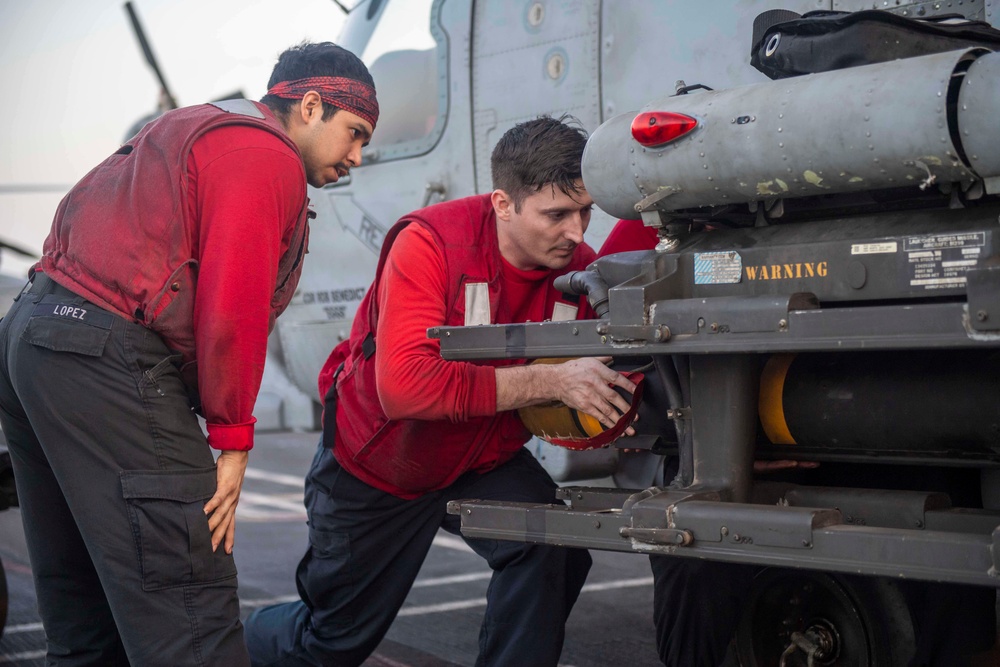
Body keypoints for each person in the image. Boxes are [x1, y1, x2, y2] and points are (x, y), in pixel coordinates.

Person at [0, 42, 378, 666]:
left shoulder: (185, 125)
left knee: (83, 613)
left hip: (32, 339)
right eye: (355, 132)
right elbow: (234, 305)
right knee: (189, 615)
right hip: (105, 355)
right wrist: (232, 439)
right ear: (311, 107)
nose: (359, 157)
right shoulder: (266, 156)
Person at [244, 116, 638, 667]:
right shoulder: (430, 243)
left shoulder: (580, 269)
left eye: (585, 211)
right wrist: (552, 380)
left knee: (551, 546)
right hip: (382, 463)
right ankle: (238, 634)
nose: (577, 232)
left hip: (481, 457)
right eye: (556, 215)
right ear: (503, 204)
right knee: (329, 645)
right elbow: (404, 389)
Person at [598, 218, 998, 667]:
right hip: (731, 438)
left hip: (869, 423)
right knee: (693, 548)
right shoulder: (662, 226)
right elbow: (610, 339)